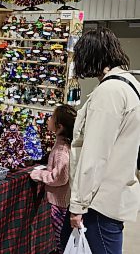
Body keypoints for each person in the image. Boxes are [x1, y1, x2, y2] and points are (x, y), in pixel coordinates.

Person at [60, 28, 140, 253]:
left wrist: (77, 206)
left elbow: (94, 156)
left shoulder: (110, 92)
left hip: (98, 203)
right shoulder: (129, 84)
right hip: (111, 195)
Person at [30, 105, 76, 254]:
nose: (48, 120)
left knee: (61, 237)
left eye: (51, 118)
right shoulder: (61, 143)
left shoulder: (62, 150)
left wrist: (39, 175)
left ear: (60, 126)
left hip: (59, 202)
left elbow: (60, 177)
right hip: (59, 201)